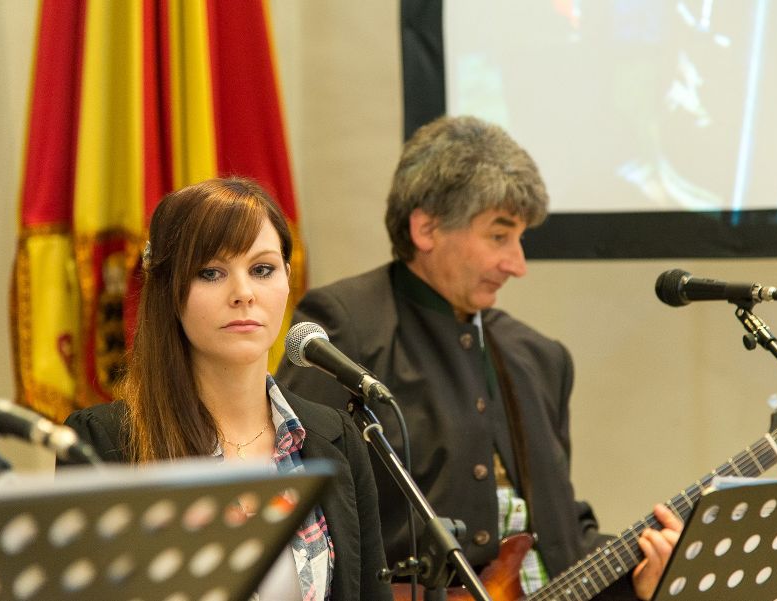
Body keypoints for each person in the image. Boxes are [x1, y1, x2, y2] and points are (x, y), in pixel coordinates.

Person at [277, 115, 681, 600]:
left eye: (520, 238)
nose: (518, 264)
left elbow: (561, 540)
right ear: (426, 228)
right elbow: (305, 513)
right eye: (498, 236)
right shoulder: (348, 326)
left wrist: (641, 582)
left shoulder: (540, 358)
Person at [60, 177, 392, 601]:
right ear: (168, 291)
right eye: (211, 272)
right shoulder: (102, 443)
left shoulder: (337, 437)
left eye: (262, 270)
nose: (243, 294)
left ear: (288, 280)